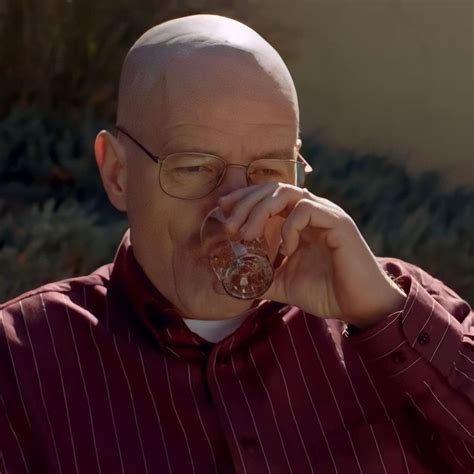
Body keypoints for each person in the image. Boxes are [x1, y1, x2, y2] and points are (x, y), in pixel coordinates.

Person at [0, 14, 472, 474]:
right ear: (118, 174)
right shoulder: (21, 360)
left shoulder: (396, 303)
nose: (234, 209)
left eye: (268, 172)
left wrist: (384, 316)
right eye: (195, 168)